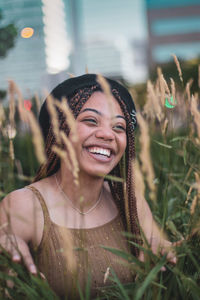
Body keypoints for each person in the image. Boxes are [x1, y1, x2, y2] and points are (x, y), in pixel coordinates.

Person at [0, 74, 176, 299]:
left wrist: (162, 248)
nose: (107, 134)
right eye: (91, 121)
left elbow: (160, 247)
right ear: (60, 129)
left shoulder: (130, 201)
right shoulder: (24, 205)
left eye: (119, 127)